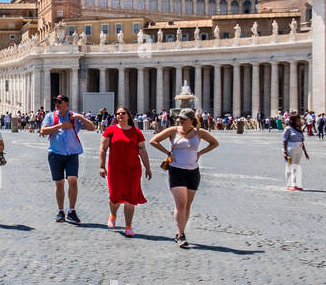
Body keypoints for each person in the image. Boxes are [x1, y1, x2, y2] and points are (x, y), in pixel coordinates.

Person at [150, 109, 219, 248]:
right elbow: (153, 141)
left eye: (184, 119)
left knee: (187, 205)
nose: (180, 120)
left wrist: (200, 153)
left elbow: (214, 143)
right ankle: (181, 234)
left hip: (193, 171)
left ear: (191, 120)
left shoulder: (199, 132)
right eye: (179, 118)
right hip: (176, 170)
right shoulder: (173, 130)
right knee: (181, 204)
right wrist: (168, 152)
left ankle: (180, 231)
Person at [40, 95, 95, 224]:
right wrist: (59, 126)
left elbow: (92, 127)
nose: (56, 104)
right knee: (59, 183)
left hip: (72, 153)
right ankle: (60, 211)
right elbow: (42, 131)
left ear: (66, 104)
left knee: (73, 180)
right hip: (55, 153)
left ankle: (71, 210)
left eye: (59, 102)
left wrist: (81, 118)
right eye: (55, 102)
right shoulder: (51, 116)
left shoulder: (74, 116)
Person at [98, 106, 152, 237]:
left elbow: (142, 151)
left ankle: (128, 226)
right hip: (115, 170)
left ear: (128, 116)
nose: (120, 115)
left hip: (133, 169)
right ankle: (113, 214)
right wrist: (102, 166)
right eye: (117, 114)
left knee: (130, 198)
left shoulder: (136, 132)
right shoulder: (110, 130)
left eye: (123, 113)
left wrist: (148, 167)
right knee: (114, 198)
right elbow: (103, 149)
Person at [282, 113, 309, 191]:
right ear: (293, 121)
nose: (299, 121)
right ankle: (288, 184)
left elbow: (302, 141)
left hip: (299, 149)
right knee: (289, 166)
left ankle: (295, 184)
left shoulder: (299, 129)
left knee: (296, 167)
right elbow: (284, 140)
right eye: (298, 120)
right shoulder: (288, 129)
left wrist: (305, 152)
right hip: (291, 148)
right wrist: (284, 151)